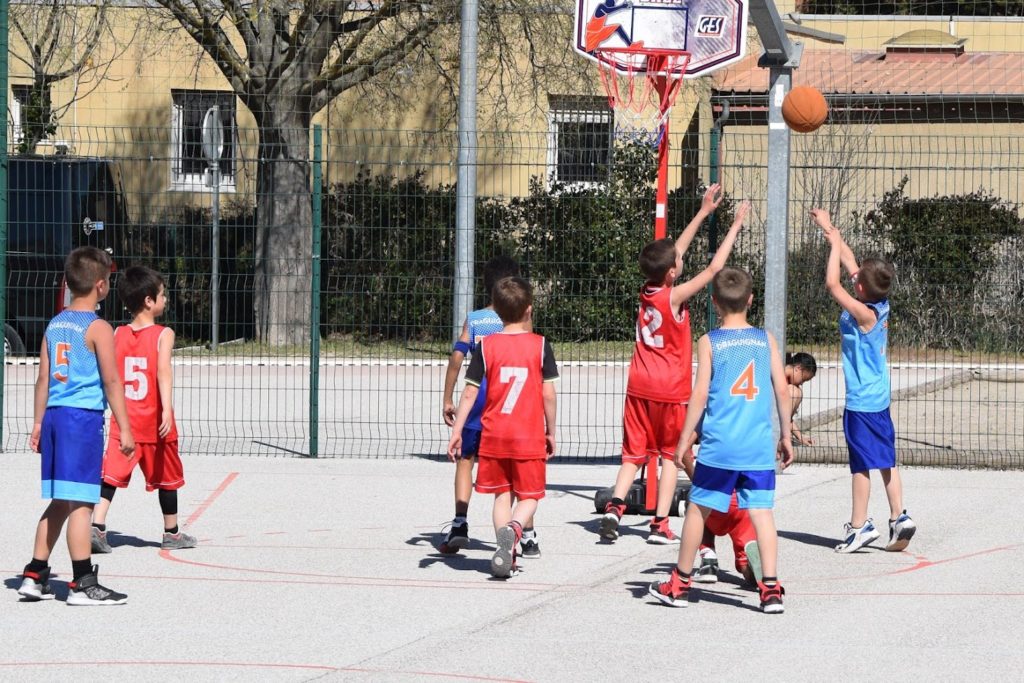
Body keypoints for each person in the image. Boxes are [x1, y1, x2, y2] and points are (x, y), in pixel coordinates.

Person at [600, 187, 747, 545]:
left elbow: (674, 252)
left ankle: (615, 508)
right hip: (669, 389)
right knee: (670, 456)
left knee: (633, 455)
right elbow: (714, 269)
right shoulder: (674, 296)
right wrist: (734, 226)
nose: (681, 259)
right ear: (671, 273)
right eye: (678, 262)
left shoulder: (647, 290)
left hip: (639, 385)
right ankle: (660, 523)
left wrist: (703, 212)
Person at [649, 266, 793, 613]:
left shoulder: (710, 341)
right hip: (757, 447)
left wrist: (684, 440)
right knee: (762, 513)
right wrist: (787, 434)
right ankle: (770, 590)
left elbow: (699, 394)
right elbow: (782, 390)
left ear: (714, 302)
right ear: (751, 300)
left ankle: (680, 584)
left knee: (698, 510)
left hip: (720, 447)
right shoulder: (765, 340)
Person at [18, 247, 135, 605]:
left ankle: (35, 574)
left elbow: (42, 378)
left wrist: (38, 422)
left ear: (68, 283)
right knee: (83, 503)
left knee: (61, 500)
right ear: (101, 285)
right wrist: (125, 427)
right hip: (80, 420)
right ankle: (82, 582)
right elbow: (111, 381)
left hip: (54, 416)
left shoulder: (55, 324)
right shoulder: (99, 327)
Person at [811, 209, 916, 554]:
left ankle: (859, 527)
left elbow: (832, 284)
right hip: (879, 398)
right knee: (886, 460)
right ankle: (899, 516)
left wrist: (832, 246)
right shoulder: (877, 302)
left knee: (860, 464)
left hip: (861, 402)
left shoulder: (864, 313)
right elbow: (850, 261)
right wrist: (829, 228)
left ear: (859, 288)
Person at [447, 277, 558, 579]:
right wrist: (551, 430)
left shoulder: (486, 346)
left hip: (494, 434)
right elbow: (548, 394)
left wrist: (457, 431)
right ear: (529, 310)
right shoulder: (540, 345)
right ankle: (516, 528)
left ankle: (504, 554)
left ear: (496, 312)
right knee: (530, 495)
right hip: (527, 434)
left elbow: (469, 393)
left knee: (501, 496)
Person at [90, 266, 196, 553]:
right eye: (163, 294)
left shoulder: (118, 333)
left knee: (111, 475)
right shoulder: (164, 334)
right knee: (167, 477)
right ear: (149, 301)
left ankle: (97, 526)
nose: (166, 299)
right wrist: (166, 409)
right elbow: (163, 372)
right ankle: (171, 532)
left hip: (125, 422)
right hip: (153, 422)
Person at [441, 256, 539, 556]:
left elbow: (458, 356)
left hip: (478, 397)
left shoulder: (475, 319)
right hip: (507, 402)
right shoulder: (520, 320)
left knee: (465, 460)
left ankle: (460, 522)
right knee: (516, 466)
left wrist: (447, 397)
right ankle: (528, 535)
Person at [693, 350, 818, 582]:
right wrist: (786, 437)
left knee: (700, 508)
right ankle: (755, 570)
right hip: (748, 489)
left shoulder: (744, 386)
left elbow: (686, 452)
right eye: (805, 378)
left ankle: (707, 558)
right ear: (798, 368)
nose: (802, 384)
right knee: (757, 515)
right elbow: (785, 414)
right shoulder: (787, 390)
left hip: (720, 482)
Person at [786, 352, 818, 446]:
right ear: (798, 368)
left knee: (797, 392)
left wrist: (800, 437)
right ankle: (783, 435)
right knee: (794, 392)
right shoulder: (778, 377)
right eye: (803, 379)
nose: (802, 383)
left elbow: (786, 418)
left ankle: (784, 433)